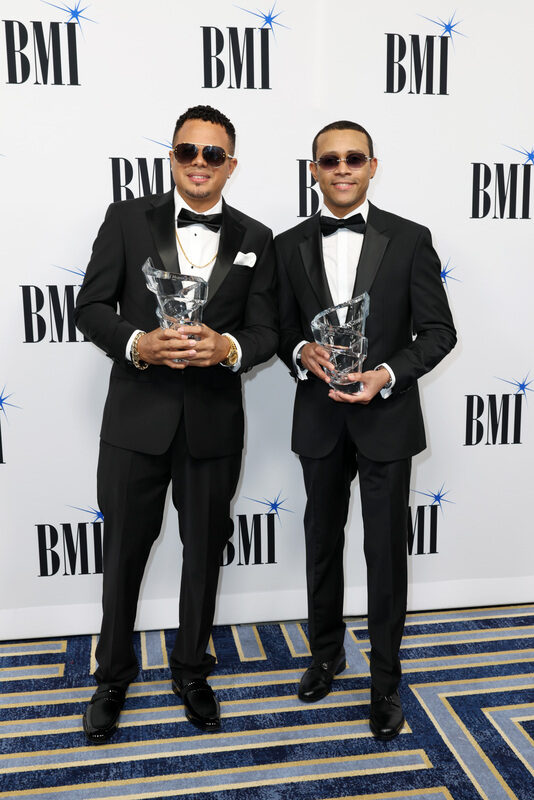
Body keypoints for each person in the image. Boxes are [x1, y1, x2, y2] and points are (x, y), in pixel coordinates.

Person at [75, 105, 278, 742]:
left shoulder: (257, 237)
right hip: (136, 418)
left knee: (204, 554)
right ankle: (112, 675)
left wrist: (230, 348)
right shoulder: (126, 219)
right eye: (188, 151)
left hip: (213, 424)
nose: (199, 163)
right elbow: (90, 307)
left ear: (231, 165)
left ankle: (192, 670)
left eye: (213, 154)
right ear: (171, 157)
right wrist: (137, 342)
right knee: (122, 553)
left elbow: (267, 330)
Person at [275, 120, 456, 740]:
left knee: (385, 553)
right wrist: (299, 350)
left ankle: (384, 682)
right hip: (320, 418)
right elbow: (278, 328)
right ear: (314, 171)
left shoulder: (410, 239)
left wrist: (387, 374)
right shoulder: (287, 244)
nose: (343, 169)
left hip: (386, 418)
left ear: (373, 166)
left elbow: (438, 332)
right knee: (322, 544)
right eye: (330, 160)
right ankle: (325, 655)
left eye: (354, 159)